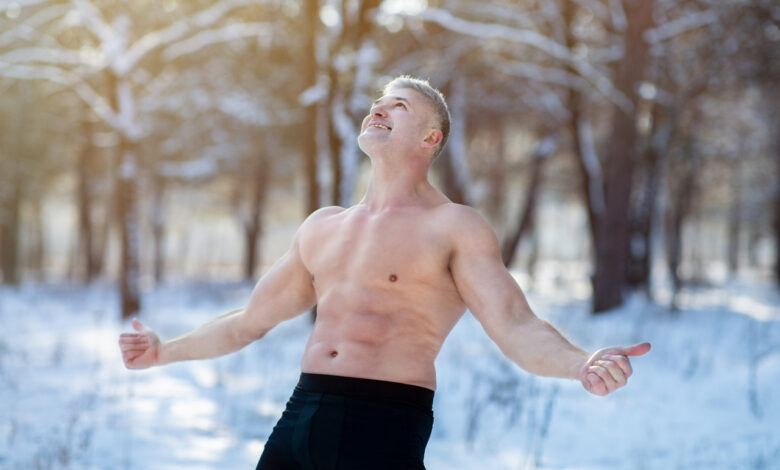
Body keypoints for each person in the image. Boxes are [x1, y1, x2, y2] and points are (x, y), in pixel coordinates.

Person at [119, 75, 650, 470]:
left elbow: (515, 324)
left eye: (398, 105)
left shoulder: (454, 227)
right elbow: (248, 320)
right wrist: (166, 351)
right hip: (301, 413)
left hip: (384, 419)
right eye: (378, 102)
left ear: (430, 139)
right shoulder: (323, 227)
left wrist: (581, 362)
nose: (379, 108)